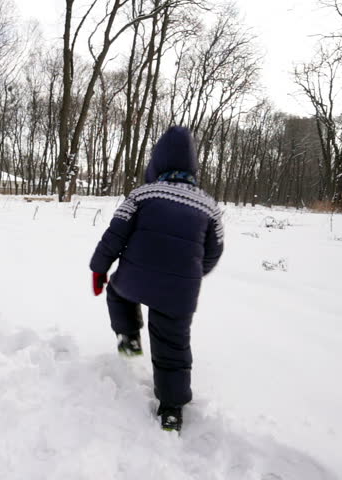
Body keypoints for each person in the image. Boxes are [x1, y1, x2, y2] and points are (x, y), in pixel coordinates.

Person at [89, 126, 224, 432]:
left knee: (118, 294)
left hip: (134, 277)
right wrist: (190, 273)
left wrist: (99, 269)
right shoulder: (208, 206)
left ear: (156, 163)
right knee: (172, 347)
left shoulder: (142, 194)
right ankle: (172, 410)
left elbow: (115, 235)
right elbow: (214, 251)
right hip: (179, 291)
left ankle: (129, 338)